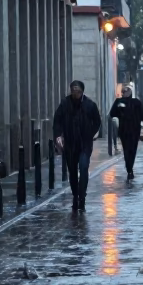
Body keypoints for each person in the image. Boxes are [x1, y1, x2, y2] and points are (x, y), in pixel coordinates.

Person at [53, 80, 102, 212]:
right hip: (70, 144)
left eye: (78, 91)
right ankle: (75, 195)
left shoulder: (90, 104)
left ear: (82, 91)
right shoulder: (65, 104)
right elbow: (57, 121)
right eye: (73, 91)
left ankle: (82, 196)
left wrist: (90, 134)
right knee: (72, 172)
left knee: (84, 167)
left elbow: (97, 121)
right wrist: (58, 136)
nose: (75, 93)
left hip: (85, 144)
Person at [110, 84, 143, 181]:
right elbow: (112, 113)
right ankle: (129, 169)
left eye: (127, 91)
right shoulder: (119, 101)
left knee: (132, 150)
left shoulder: (136, 102)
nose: (125, 93)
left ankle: (130, 169)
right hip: (125, 130)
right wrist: (120, 111)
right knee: (127, 150)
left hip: (134, 130)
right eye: (124, 91)